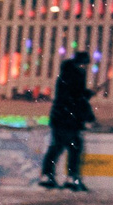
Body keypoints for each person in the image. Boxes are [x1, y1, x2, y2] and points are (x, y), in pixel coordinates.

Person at [39, 50, 96, 191]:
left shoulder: (67, 74)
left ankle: (48, 175)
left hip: (61, 118)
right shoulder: (76, 76)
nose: (84, 67)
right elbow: (77, 100)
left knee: (58, 147)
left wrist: (84, 95)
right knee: (73, 148)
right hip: (69, 120)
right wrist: (88, 114)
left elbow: (72, 96)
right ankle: (71, 177)